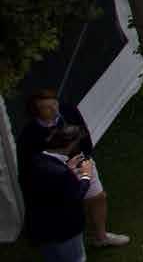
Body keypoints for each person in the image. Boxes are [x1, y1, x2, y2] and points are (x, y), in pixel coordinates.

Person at [17, 92, 127, 250]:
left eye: (54, 104)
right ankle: (71, 241)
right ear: (35, 112)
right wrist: (66, 169)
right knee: (72, 204)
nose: (54, 109)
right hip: (56, 173)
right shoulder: (29, 134)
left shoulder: (68, 110)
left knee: (98, 197)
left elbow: (83, 132)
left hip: (80, 161)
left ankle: (101, 237)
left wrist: (86, 156)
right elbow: (31, 164)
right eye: (46, 107)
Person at [22, 124, 99, 259]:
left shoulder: (35, 160)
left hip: (41, 228)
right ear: (71, 144)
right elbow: (76, 196)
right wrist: (86, 175)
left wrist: (67, 167)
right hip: (64, 230)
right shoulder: (60, 173)